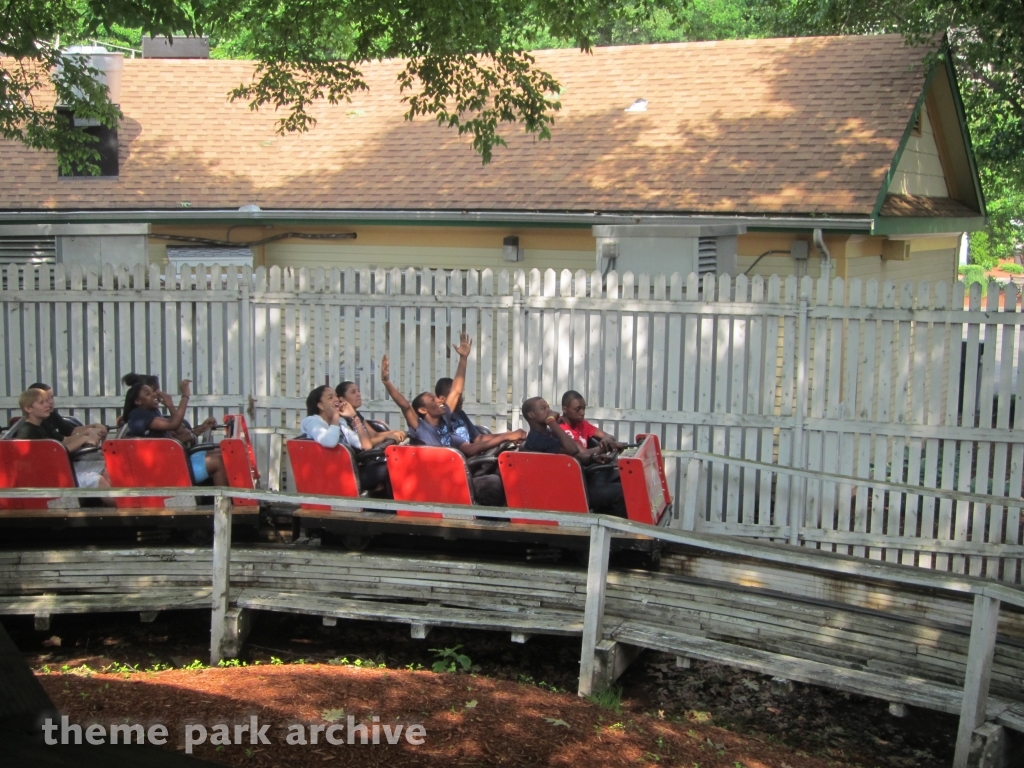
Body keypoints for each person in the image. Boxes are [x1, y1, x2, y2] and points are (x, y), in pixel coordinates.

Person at [380, 352, 523, 507]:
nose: (440, 400)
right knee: (492, 483)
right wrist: (386, 381)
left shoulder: (445, 419)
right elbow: (405, 406)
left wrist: (463, 358)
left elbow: (456, 390)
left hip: (452, 477)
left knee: (502, 473)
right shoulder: (420, 427)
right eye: (432, 400)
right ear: (422, 410)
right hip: (433, 481)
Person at [520, 396, 627, 517]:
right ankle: (619, 534)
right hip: (565, 493)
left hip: (574, 484)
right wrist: (552, 421)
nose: (549, 411)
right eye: (543, 408)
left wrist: (592, 458)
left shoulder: (549, 433)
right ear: (531, 415)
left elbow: (573, 454)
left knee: (620, 483)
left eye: (548, 407)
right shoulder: (536, 439)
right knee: (620, 492)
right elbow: (573, 449)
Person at [9, 388, 113, 498]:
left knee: (106, 468)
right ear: (28, 408)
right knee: (98, 480)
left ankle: (121, 505)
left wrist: (86, 434)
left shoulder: (42, 426)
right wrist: (83, 439)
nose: (47, 405)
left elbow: (63, 441)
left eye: (47, 401)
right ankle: (121, 511)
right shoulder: (27, 433)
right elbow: (55, 456)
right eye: (41, 403)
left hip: (61, 470)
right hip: (52, 478)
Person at [123, 377, 228, 486]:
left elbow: (179, 429)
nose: (154, 395)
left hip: (173, 461)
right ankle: (223, 501)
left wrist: (170, 406)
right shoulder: (138, 416)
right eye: (148, 394)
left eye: (152, 391)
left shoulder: (152, 411)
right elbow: (173, 424)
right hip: (167, 470)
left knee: (222, 452)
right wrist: (185, 396)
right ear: (138, 401)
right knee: (218, 461)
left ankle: (231, 497)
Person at [300, 385, 391, 496]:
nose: (336, 399)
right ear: (320, 405)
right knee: (388, 469)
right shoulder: (312, 421)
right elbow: (329, 442)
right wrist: (335, 416)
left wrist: (354, 417)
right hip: (331, 476)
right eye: (330, 397)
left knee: (392, 466)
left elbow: (366, 446)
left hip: (348, 472)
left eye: (336, 396)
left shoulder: (341, 422)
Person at [27, 382, 107, 444]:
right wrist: (86, 436)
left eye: (52, 397)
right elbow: (62, 444)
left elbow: (71, 430)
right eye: (43, 401)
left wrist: (93, 426)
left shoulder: (51, 414)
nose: (51, 402)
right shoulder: (38, 425)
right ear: (28, 408)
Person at [336, 380, 408, 446]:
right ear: (342, 398)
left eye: (358, 391)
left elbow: (374, 435)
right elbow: (363, 443)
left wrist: (396, 432)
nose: (359, 394)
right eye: (353, 392)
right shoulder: (342, 420)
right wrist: (386, 437)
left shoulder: (357, 414)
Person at [559, 391, 626, 452]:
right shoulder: (561, 428)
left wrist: (606, 440)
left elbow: (609, 436)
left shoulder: (582, 424)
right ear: (564, 409)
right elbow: (581, 453)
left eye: (583, 408)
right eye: (578, 409)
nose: (582, 413)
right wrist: (604, 447)